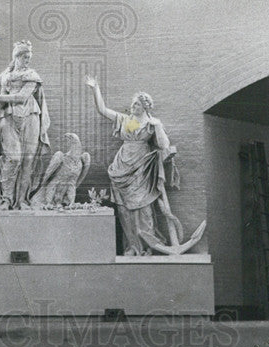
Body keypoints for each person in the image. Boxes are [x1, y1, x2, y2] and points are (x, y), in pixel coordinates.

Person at [85, 76, 183, 255]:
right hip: (121, 166)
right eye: (133, 104)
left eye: (136, 104)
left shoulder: (151, 124)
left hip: (142, 168)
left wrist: (159, 126)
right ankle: (133, 246)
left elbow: (163, 145)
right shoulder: (125, 120)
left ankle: (148, 246)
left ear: (145, 107)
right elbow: (102, 109)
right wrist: (95, 88)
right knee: (123, 209)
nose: (133, 107)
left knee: (144, 207)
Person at [0, 40, 50, 209]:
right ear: (16, 57)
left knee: (28, 161)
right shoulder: (4, 76)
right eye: (24, 57)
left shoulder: (32, 75)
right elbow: (0, 99)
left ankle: (22, 199)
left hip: (30, 116)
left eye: (29, 57)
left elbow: (21, 97)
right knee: (12, 158)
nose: (27, 60)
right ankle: (6, 199)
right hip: (8, 117)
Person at [30, 132, 92, 208]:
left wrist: (72, 203)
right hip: (50, 190)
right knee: (54, 184)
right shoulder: (61, 157)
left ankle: (71, 202)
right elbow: (49, 179)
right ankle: (49, 203)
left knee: (71, 184)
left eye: (73, 139)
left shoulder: (82, 160)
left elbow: (73, 185)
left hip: (64, 192)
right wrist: (48, 202)